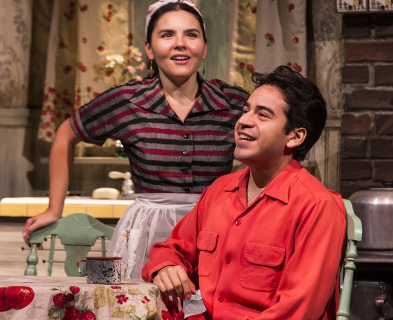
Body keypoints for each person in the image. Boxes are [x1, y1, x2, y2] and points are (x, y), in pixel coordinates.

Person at [22, 0, 249, 280]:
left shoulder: (234, 101)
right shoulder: (126, 101)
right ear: (149, 49)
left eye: (191, 34)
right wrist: (53, 209)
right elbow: (66, 134)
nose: (180, 43)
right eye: (167, 35)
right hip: (146, 232)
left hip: (215, 228)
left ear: (204, 48)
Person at [142, 66, 347, 320]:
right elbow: (170, 250)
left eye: (263, 115)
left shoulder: (317, 206)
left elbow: (298, 311)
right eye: (246, 110)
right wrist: (167, 266)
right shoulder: (219, 191)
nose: (244, 121)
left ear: (295, 136)